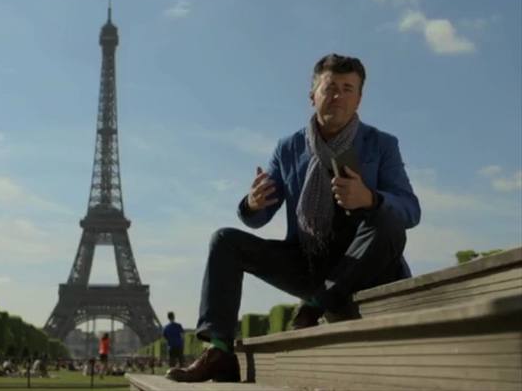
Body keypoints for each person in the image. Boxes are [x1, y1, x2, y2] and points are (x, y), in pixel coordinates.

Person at [166, 54, 420, 383]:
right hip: (308, 261)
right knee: (224, 240)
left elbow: (410, 210)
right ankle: (220, 351)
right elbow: (258, 219)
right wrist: (253, 203)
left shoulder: (381, 144)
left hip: (362, 262)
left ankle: (316, 304)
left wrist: (369, 198)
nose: (338, 96)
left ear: (359, 99)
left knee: (387, 219)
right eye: (330, 87)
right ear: (313, 95)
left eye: (348, 89)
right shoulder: (288, 148)